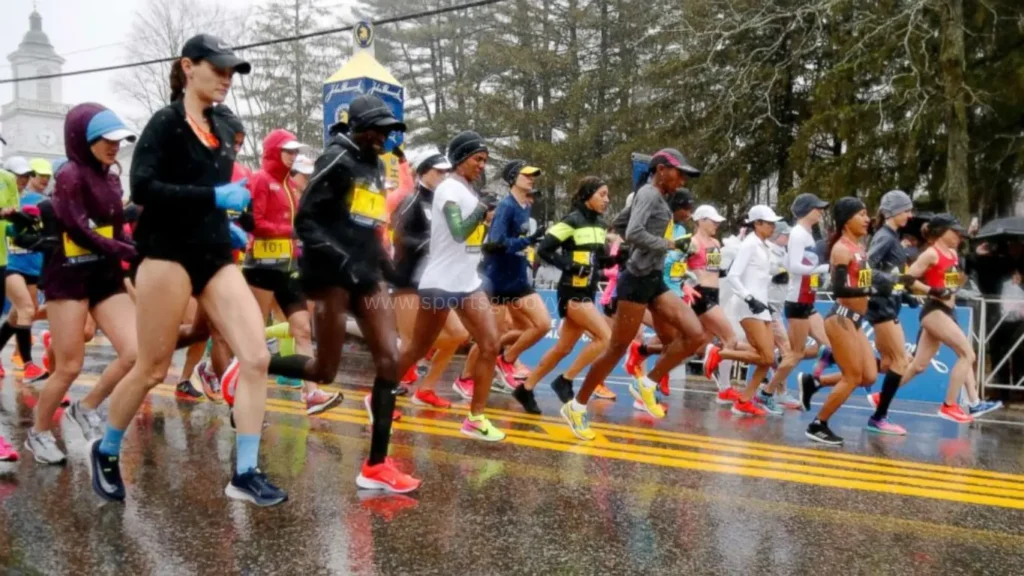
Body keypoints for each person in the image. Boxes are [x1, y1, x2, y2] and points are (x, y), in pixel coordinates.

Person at [90, 35, 287, 506]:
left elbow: (221, 180)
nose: (225, 79)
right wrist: (211, 199)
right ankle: (108, 449)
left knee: (256, 358)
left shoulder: (222, 124)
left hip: (214, 253)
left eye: (231, 72)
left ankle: (244, 472)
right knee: (152, 368)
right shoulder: (165, 124)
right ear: (187, 67)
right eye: (217, 69)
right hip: (166, 253)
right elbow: (144, 188)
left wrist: (231, 217)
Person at [247, 94, 420, 493]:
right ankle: (256, 364)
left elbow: (369, 224)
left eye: (388, 130)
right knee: (324, 370)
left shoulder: (376, 165)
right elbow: (306, 222)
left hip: (366, 275)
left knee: (390, 359)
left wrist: (389, 269)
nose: (383, 136)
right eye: (377, 128)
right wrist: (343, 261)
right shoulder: (336, 159)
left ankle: (376, 464)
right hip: (330, 276)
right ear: (358, 126)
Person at [24, 104, 140, 464]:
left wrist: (138, 245)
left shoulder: (112, 177)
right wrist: (125, 249)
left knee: (136, 353)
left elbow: (116, 225)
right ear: (83, 138)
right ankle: (38, 433)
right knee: (70, 366)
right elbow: (78, 229)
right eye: (105, 138)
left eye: (118, 140)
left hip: (104, 277)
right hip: (69, 276)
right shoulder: (70, 175)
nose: (113, 145)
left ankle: (85, 407)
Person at [562, 148, 704, 439]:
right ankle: (576, 406)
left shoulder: (654, 196)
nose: (683, 181)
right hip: (637, 281)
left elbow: (622, 226)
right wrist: (671, 245)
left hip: (653, 279)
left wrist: (623, 244)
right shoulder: (650, 194)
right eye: (680, 173)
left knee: (695, 335)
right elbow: (637, 232)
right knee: (615, 349)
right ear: (662, 169)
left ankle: (648, 384)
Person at [392, 130, 504, 444]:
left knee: (491, 344)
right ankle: (380, 393)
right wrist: (483, 211)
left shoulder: (466, 190)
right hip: (440, 283)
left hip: (467, 282)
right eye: (476, 159)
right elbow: (458, 231)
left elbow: (469, 239)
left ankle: (476, 418)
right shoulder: (449, 189)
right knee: (416, 347)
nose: (481, 165)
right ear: (460, 158)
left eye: (484, 160)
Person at [242, 128, 340, 415]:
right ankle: (235, 385)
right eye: (289, 151)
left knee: (302, 330)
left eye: (296, 152)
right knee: (252, 334)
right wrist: (291, 232)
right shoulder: (260, 180)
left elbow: (297, 226)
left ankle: (312, 394)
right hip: (259, 267)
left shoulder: (289, 186)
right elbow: (254, 223)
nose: (294, 156)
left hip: (287, 268)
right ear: (274, 151)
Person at [514, 177, 612, 414]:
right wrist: (569, 265)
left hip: (588, 290)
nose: (606, 200)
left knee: (564, 348)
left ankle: (525, 389)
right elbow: (544, 249)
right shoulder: (572, 220)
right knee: (605, 337)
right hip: (571, 291)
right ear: (588, 195)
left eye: (607, 195)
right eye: (602, 194)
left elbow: (600, 260)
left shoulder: (600, 224)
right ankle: (566, 380)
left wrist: (620, 258)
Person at [898, 214, 1002, 422]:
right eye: (954, 232)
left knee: (918, 365)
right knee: (967, 354)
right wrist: (932, 291)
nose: (958, 236)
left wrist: (954, 286)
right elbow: (906, 279)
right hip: (934, 310)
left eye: (959, 233)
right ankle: (950, 405)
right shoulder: (930, 253)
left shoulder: (953, 254)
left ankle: (883, 395)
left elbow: (951, 284)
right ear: (940, 232)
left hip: (948, 310)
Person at [805, 198, 885, 445]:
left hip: (856, 321)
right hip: (840, 318)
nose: (866, 219)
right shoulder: (842, 250)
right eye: (861, 214)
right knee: (852, 376)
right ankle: (818, 424)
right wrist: (872, 291)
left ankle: (814, 381)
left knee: (869, 375)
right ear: (846, 220)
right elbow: (839, 288)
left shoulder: (859, 249)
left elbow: (861, 283)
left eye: (867, 214)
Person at [390, 149, 464, 408]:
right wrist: (429, 243)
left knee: (458, 334)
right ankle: (381, 395)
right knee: (410, 344)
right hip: (407, 281)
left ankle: (426, 390)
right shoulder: (411, 200)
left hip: (435, 282)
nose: (444, 176)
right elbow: (399, 236)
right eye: (438, 171)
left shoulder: (445, 204)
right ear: (422, 172)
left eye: (447, 172)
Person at [476, 160, 548, 392]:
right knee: (490, 340)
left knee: (543, 325)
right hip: (498, 279)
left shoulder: (525, 206)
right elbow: (497, 242)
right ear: (513, 178)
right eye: (526, 175)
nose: (531, 178)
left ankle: (506, 360)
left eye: (533, 175)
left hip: (517, 277)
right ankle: (467, 379)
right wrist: (529, 239)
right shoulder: (506, 206)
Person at [859, 190, 917, 435]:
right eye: (906, 210)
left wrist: (904, 293)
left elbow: (890, 274)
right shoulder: (885, 236)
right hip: (881, 307)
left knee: (886, 364)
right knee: (902, 361)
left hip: (889, 302)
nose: (910, 215)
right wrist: (893, 279)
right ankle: (879, 416)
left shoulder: (892, 235)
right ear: (893, 212)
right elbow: (865, 268)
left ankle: (819, 375)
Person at [721, 206, 785, 417]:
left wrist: (775, 277)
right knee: (766, 356)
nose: (773, 227)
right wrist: (748, 297)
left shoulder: (764, 246)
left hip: (762, 306)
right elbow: (733, 275)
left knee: (767, 359)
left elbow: (759, 276)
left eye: (773, 223)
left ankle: (744, 400)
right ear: (757, 224)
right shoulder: (749, 244)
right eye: (769, 223)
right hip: (749, 306)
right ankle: (719, 353)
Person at [0, 158, 52, 380]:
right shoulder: (8, 200)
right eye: (18, 176)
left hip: (30, 267)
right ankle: (28, 363)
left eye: (25, 176)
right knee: (26, 310)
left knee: (17, 316)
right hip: (9, 264)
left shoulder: (37, 203)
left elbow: (15, 233)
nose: (22, 181)